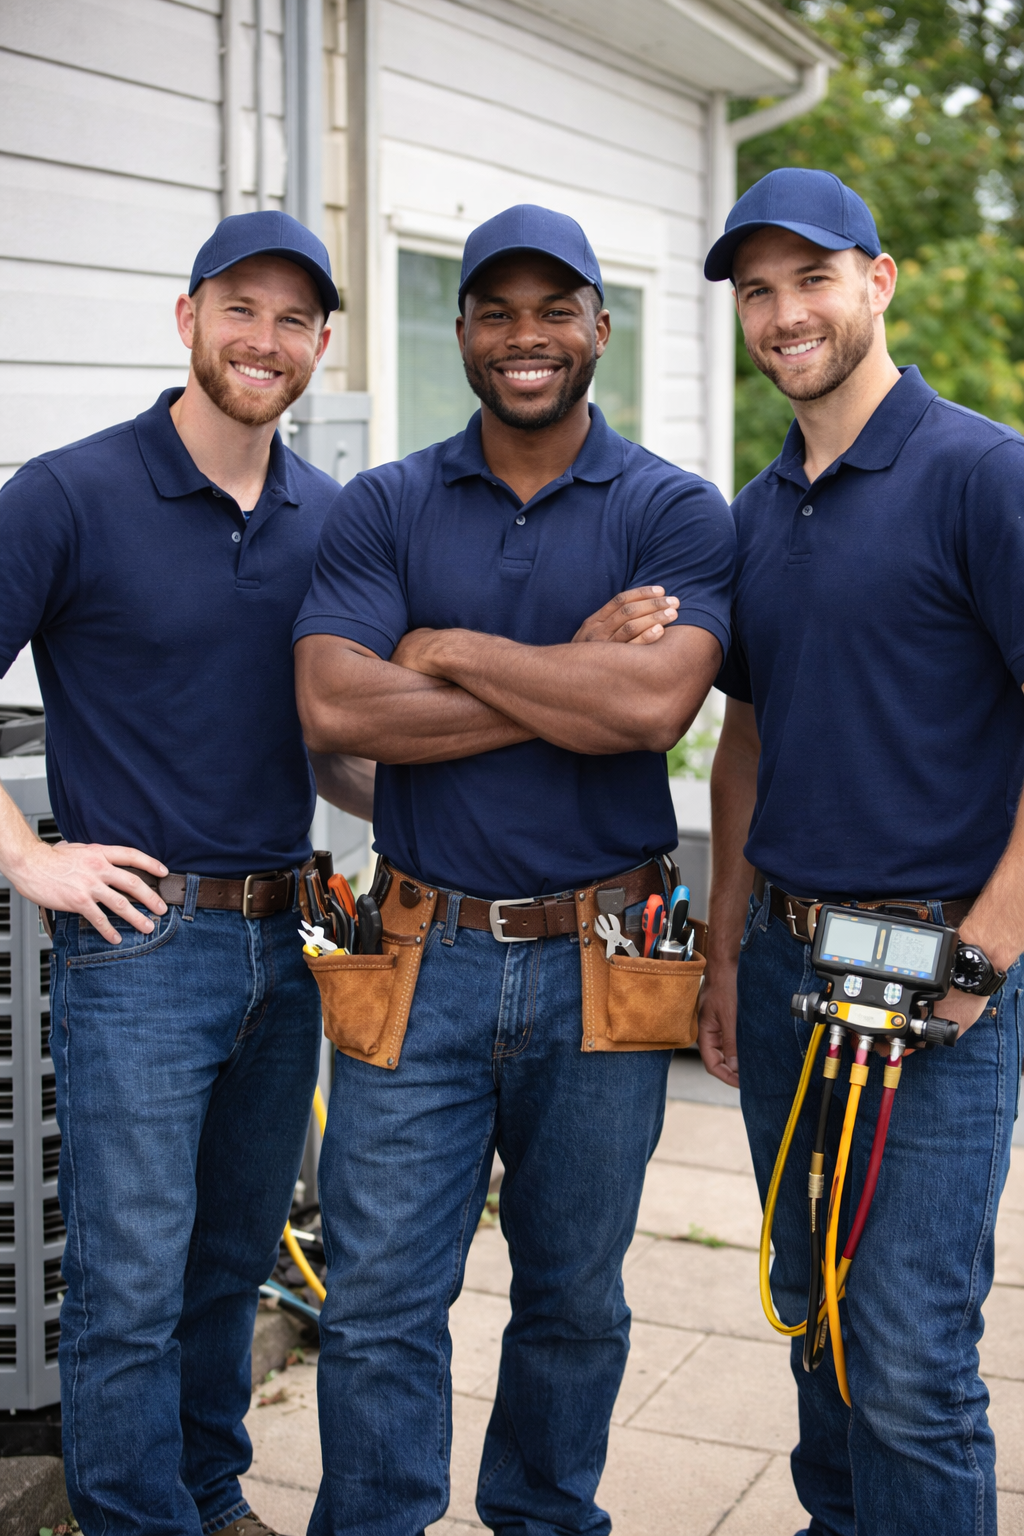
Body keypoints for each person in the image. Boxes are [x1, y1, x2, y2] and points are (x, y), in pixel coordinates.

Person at [292, 203, 736, 1535]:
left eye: (557, 309)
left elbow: (654, 712)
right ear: (466, 331)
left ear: (602, 326)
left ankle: (546, 1518)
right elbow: (335, 711)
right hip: (412, 945)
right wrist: (572, 669)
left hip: (618, 947)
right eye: (496, 310)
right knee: (376, 1299)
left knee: (575, 1299)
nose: (525, 335)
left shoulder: (674, 509)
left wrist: (448, 647)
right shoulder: (387, 503)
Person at [0, 211, 374, 1536]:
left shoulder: (333, 521)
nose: (263, 340)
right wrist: (29, 857)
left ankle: (212, 1499)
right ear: (187, 319)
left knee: (229, 1269)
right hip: (142, 949)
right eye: (240, 309)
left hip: (291, 937)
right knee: (133, 1280)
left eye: (292, 320)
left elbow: (336, 753)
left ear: (320, 345)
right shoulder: (65, 493)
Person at [698, 167, 1024, 1536]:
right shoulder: (760, 512)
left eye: (811, 279)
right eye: (759, 291)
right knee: (818, 1326)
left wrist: (987, 951)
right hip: (785, 975)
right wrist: (721, 956)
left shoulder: (982, 474)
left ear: (877, 282)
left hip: (934, 982)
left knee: (906, 1364)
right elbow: (748, 748)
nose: (785, 314)